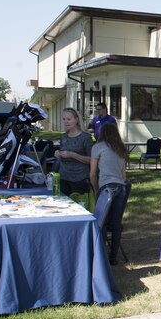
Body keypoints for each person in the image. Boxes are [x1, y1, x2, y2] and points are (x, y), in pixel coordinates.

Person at [89, 123, 128, 266]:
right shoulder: (121, 149)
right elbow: (123, 176)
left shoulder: (97, 147)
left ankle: (101, 256)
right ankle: (113, 257)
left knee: (102, 221)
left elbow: (92, 174)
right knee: (116, 223)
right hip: (120, 188)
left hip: (106, 187)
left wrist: (96, 189)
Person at [54, 107, 94, 196]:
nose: (66, 122)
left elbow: (92, 159)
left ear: (76, 120)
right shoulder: (64, 137)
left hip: (80, 180)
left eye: (69, 119)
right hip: (63, 178)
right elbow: (62, 152)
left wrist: (73, 155)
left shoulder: (85, 137)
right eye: (64, 119)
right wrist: (58, 154)